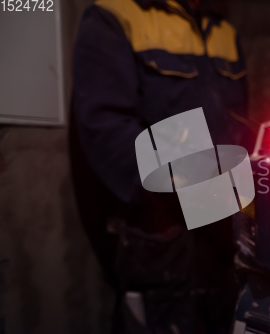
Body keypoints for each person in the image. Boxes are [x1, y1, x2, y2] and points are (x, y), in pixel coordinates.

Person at [69, 0, 252, 332]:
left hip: (224, 230)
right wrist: (197, 178)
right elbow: (106, 128)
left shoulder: (223, 27)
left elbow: (239, 123)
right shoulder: (117, 14)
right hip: (160, 232)